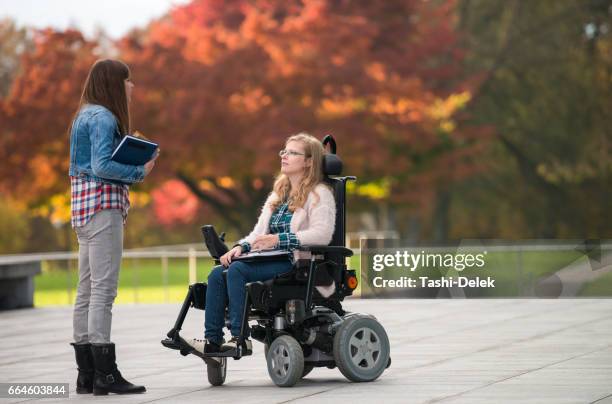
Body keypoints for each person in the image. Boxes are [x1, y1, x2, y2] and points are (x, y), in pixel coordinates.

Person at [186, 133, 336, 355]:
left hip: (294, 262)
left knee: (236, 271)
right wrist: (240, 247)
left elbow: (322, 234)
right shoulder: (279, 194)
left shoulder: (320, 193)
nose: (284, 156)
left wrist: (279, 240)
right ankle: (213, 341)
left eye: (293, 153)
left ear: (309, 161)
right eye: (284, 151)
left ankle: (239, 338)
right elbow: (258, 233)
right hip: (267, 258)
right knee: (218, 273)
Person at [68, 59, 157, 395]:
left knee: (87, 290)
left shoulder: (83, 115)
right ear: (113, 84)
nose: (131, 87)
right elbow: (102, 165)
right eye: (127, 81)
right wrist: (141, 169)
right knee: (104, 292)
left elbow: (86, 165)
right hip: (103, 209)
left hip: (82, 210)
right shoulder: (104, 117)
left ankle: (86, 374)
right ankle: (106, 374)